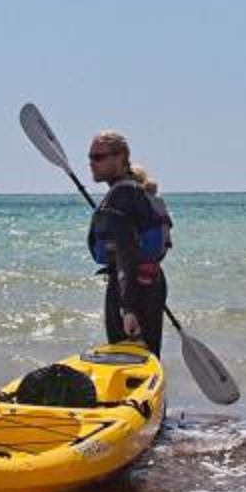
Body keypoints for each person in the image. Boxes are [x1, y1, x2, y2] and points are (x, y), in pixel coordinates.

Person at [85, 129, 173, 354]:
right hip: (151, 283)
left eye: (98, 157)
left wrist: (129, 308)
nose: (92, 163)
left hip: (130, 288)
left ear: (120, 157)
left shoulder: (121, 195)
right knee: (146, 360)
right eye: (90, 157)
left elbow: (126, 252)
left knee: (127, 366)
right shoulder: (135, 191)